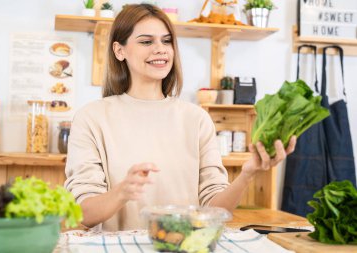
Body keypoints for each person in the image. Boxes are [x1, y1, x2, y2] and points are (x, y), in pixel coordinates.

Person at [65, 3, 296, 232]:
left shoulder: (196, 119)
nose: (161, 49)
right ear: (119, 50)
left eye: (166, 41)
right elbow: (82, 213)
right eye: (146, 41)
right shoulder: (92, 117)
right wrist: (122, 191)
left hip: (184, 247)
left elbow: (215, 210)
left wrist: (247, 174)